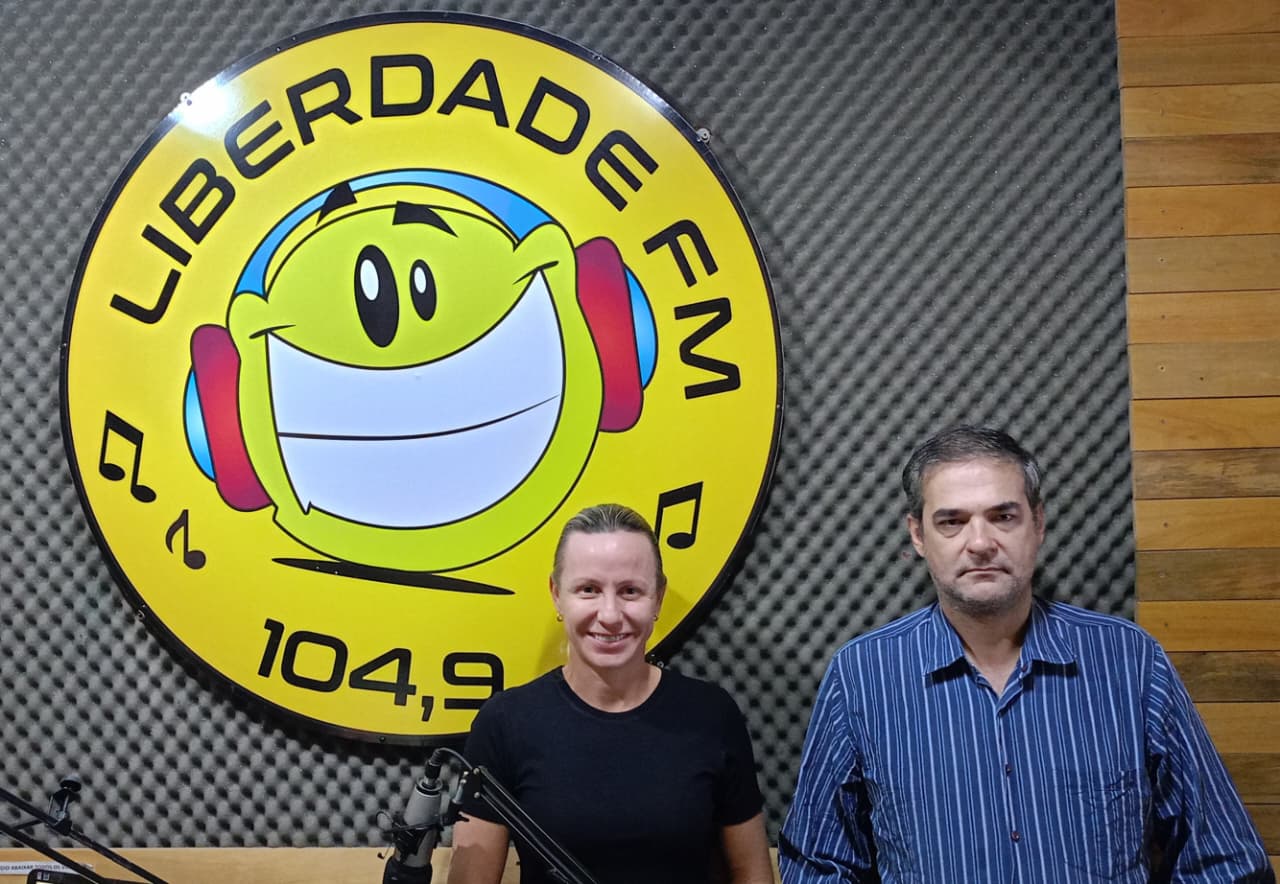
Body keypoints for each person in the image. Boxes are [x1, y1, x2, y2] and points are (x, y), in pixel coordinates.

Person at [780, 426, 1273, 883]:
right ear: (917, 535)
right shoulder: (863, 675)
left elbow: (1224, 858)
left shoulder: (1129, 660)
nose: (980, 543)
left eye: (1003, 517)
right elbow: (817, 865)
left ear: (1037, 523)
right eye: (952, 521)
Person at [448, 503, 774, 884]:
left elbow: (752, 872)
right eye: (588, 590)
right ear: (556, 594)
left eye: (630, 591)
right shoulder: (505, 723)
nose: (610, 614)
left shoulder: (712, 716)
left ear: (658, 598)